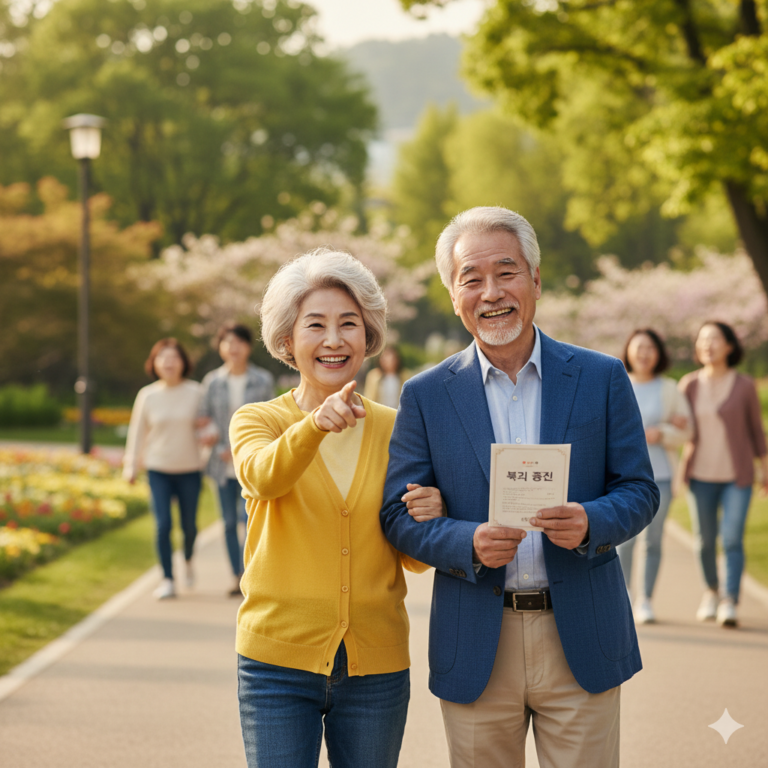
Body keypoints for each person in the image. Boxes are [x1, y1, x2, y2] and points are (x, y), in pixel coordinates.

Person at [380, 207, 659, 768]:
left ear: (535, 278)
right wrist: (465, 541)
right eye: (471, 278)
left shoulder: (601, 376)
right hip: (478, 637)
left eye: (505, 272)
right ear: (453, 294)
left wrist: (592, 522)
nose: (491, 293)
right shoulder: (426, 394)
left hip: (579, 629)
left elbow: (638, 489)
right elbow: (398, 515)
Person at [230, 249, 444, 768]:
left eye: (349, 324)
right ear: (287, 341)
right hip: (276, 662)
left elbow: (414, 558)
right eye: (316, 325)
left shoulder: (398, 427)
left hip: (377, 665)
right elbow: (263, 476)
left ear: (368, 337)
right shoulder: (257, 420)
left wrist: (430, 514)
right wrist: (315, 426)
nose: (333, 339)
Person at [679, 321, 768, 628]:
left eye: (715, 339)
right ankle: (711, 592)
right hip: (700, 477)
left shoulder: (744, 385)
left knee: (731, 538)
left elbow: (757, 432)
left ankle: (730, 600)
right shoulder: (689, 385)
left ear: (730, 346)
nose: (708, 345)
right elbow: (681, 432)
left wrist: (765, 469)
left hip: (737, 477)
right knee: (704, 541)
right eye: (703, 339)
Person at [617, 329, 692, 624]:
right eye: (639, 347)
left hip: (660, 476)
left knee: (653, 540)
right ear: (628, 351)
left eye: (650, 348)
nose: (644, 353)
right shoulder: (617, 382)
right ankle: (622, 594)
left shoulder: (670, 389)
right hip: (621, 476)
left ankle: (645, 599)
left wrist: (663, 432)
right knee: (624, 540)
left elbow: (687, 431)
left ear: (659, 353)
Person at [198, 323, 274, 596]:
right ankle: (236, 574)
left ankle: (251, 575)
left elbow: (270, 419)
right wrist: (218, 442)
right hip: (221, 463)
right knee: (228, 523)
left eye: (238, 342)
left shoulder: (263, 380)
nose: (233, 348)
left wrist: (242, 448)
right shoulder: (212, 382)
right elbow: (203, 418)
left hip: (251, 462)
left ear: (248, 347)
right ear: (220, 348)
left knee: (250, 520)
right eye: (227, 342)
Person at [124, 339, 203, 600]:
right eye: (163, 358)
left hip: (190, 469)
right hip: (158, 468)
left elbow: (208, 426)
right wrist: (131, 465)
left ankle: (188, 560)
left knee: (189, 527)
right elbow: (137, 433)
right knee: (162, 525)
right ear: (154, 364)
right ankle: (168, 579)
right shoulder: (147, 395)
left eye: (174, 358)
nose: (168, 363)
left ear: (183, 363)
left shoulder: (196, 392)